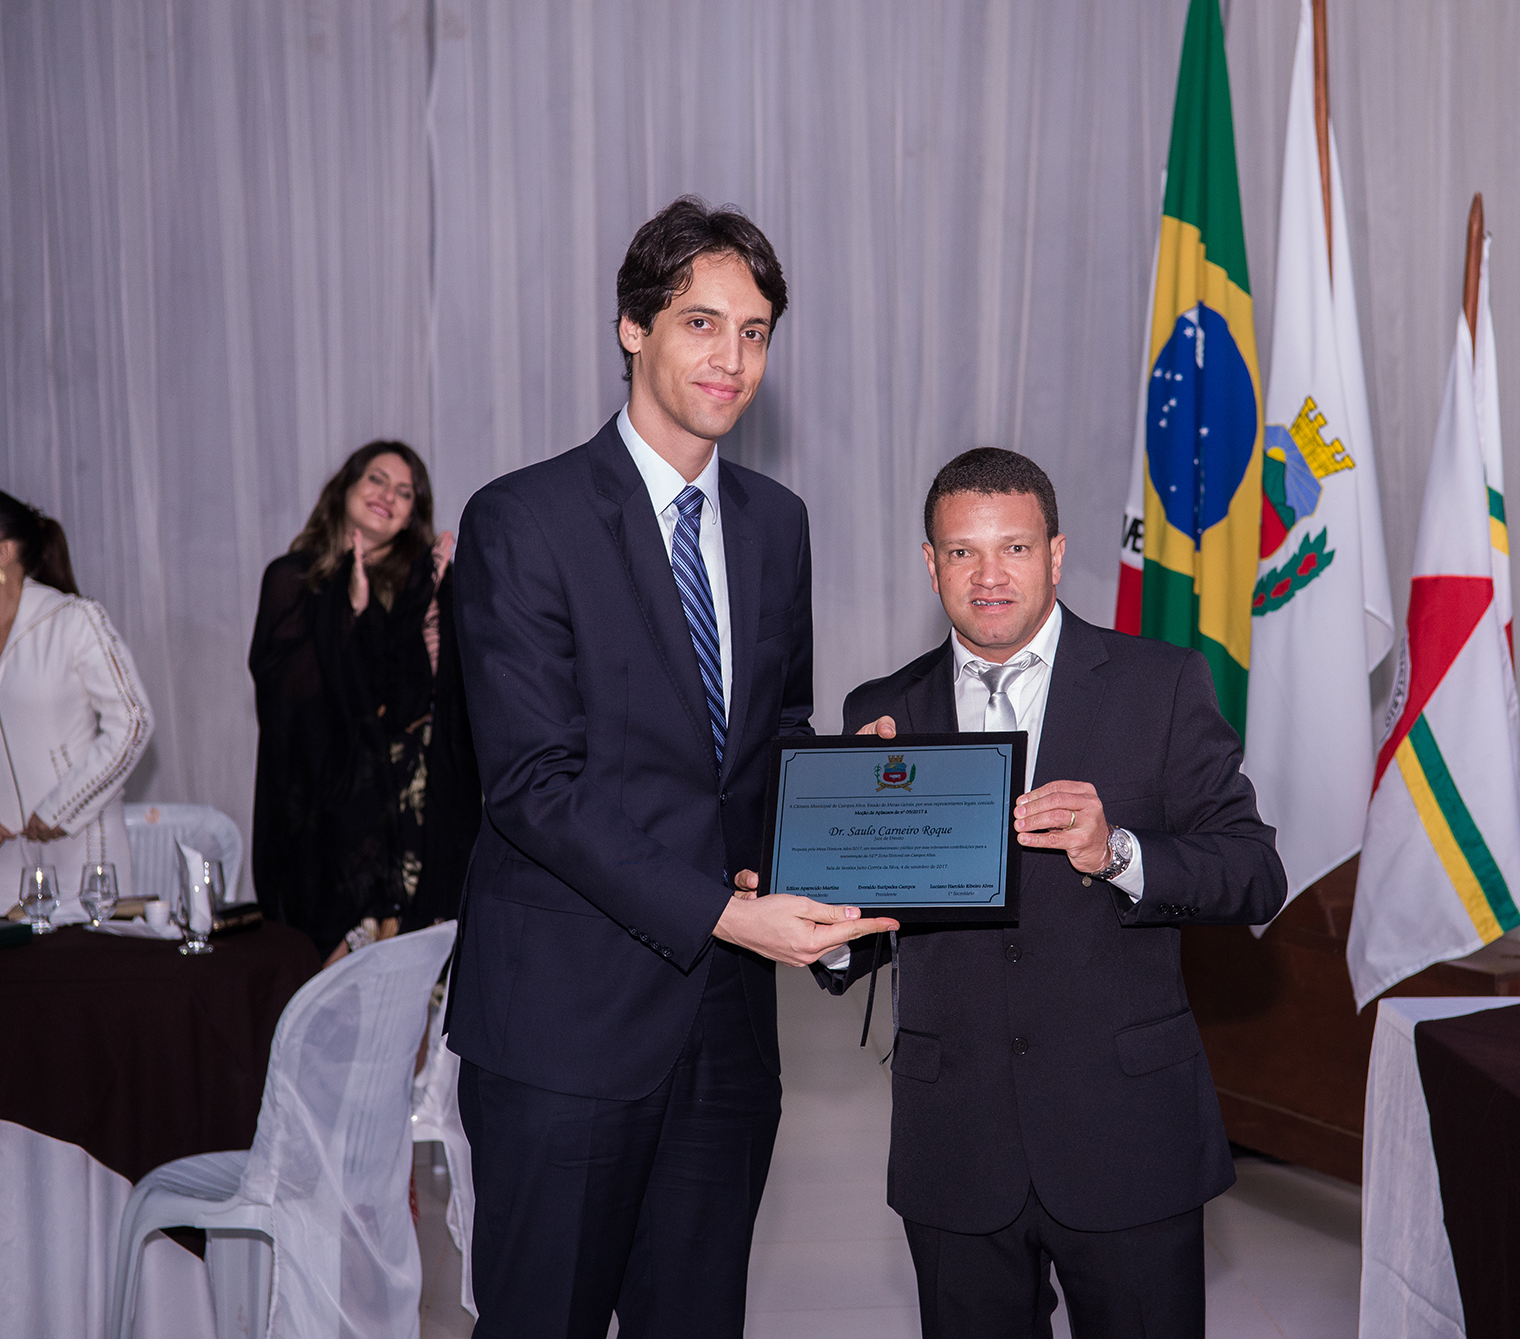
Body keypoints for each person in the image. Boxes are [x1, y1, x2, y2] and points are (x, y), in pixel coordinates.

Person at [447, 196, 896, 1339]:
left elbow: (764, 738)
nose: (730, 357)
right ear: (632, 327)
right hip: (564, 1025)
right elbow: (533, 786)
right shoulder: (522, 518)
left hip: (728, 1032)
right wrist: (727, 915)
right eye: (701, 323)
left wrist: (845, 797)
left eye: (754, 332)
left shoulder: (776, 522)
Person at [820, 448, 1287, 1337]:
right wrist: (830, 911)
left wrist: (1117, 852)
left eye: (1014, 547)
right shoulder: (881, 710)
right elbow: (865, 921)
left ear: (1058, 554)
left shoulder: (1160, 683)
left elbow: (1253, 872)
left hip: (1127, 1131)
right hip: (953, 1140)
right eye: (962, 551)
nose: (988, 575)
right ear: (929, 563)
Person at [248, 440, 478, 962]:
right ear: (345, 488)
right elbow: (289, 701)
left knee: (410, 985)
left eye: (405, 492)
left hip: (413, 814)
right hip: (324, 817)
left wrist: (429, 600)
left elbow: (418, 702)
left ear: (412, 516)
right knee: (326, 983)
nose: (388, 496)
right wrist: (349, 614)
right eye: (376, 479)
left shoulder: (424, 584)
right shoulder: (292, 578)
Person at [0, 486, 152, 916]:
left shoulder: (74, 620)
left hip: (82, 849)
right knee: (1, 961)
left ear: (3, 552)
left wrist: (63, 808)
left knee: (86, 961)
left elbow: (134, 721)